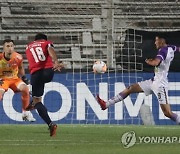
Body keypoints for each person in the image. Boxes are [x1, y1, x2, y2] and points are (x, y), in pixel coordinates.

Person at [97, 35, 180, 124]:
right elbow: (178, 49)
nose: (155, 42)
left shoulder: (163, 50)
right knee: (130, 88)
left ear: (162, 41)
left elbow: (156, 62)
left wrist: (148, 61)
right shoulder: (171, 48)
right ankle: (106, 104)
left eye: (157, 40)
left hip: (160, 85)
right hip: (154, 81)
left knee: (167, 113)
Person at [25, 33, 63, 137]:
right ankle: (34, 102)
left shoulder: (28, 46)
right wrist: (55, 61)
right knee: (37, 98)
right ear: (44, 39)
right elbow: (50, 50)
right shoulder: (47, 43)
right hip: (48, 72)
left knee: (38, 101)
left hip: (36, 74)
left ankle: (51, 124)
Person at [0, 39, 35, 122]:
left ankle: (25, 113)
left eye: (11, 46)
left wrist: (24, 78)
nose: (10, 48)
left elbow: (20, 68)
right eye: (7, 46)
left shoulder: (18, 57)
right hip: (3, 80)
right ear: (3, 48)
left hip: (15, 79)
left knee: (25, 89)